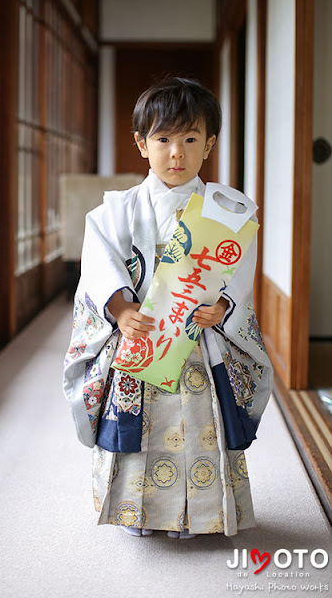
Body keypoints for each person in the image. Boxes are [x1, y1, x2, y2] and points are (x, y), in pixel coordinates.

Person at [63, 77, 273, 539]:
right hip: (144, 338)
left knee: (200, 425)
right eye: (163, 139)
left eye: (190, 139)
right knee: (139, 431)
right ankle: (138, 515)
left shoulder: (229, 210)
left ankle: (201, 516)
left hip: (197, 338)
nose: (176, 153)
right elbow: (100, 264)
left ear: (209, 144)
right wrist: (119, 309)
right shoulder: (116, 211)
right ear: (141, 144)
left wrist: (223, 304)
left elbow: (239, 268)